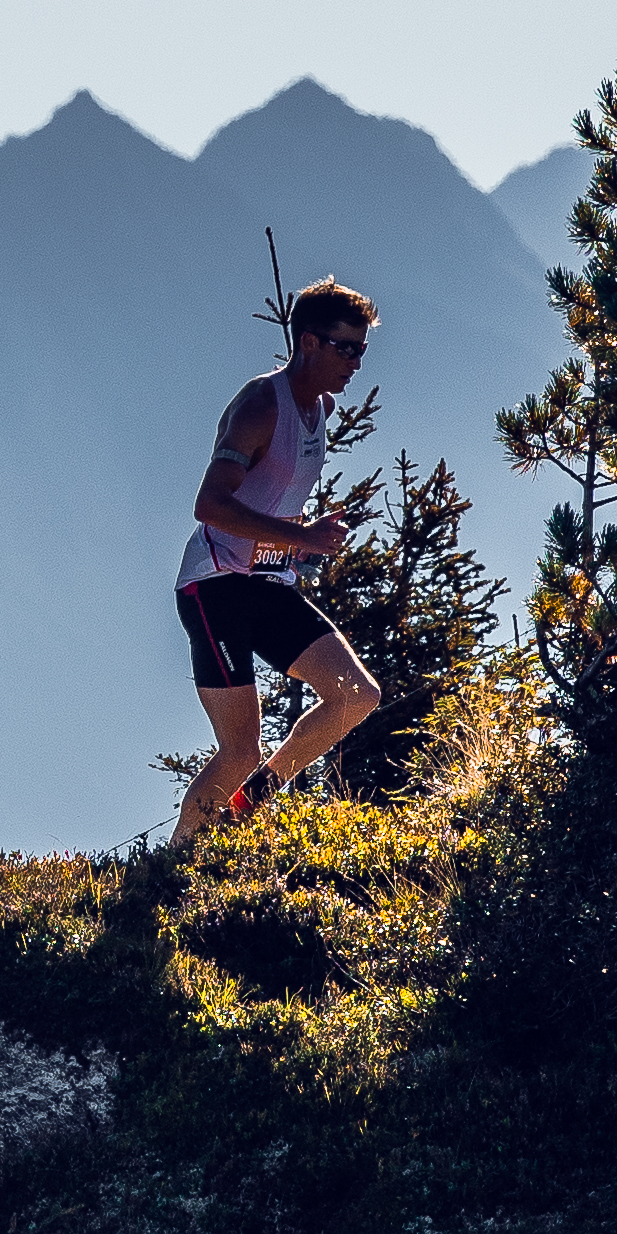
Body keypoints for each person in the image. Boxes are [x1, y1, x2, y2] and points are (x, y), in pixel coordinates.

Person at [171, 276, 383, 844]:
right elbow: (209, 505)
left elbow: (270, 493)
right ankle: (164, 874)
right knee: (239, 750)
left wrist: (299, 537)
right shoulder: (260, 406)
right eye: (346, 348)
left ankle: (249, 806)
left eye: (363, 349)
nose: (356, 363)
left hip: (266, 584)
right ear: (308, 342)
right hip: (213, 587)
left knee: (357, 696)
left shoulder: (321, 410)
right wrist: (305, 537)